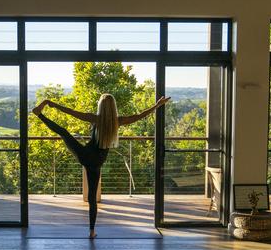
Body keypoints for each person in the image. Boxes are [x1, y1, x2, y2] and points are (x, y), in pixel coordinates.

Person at [32, 93, 170, 239]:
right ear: (113, 107)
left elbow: (71, 112)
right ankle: (92, 231)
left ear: (101, 106)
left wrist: (51, 103)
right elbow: (139, 115)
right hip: (97, 162)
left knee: (64, 133)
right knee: (92, 197)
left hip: (84, 155)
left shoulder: (95, 119)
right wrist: (157, 105)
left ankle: (39, 115)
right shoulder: (118, 121)